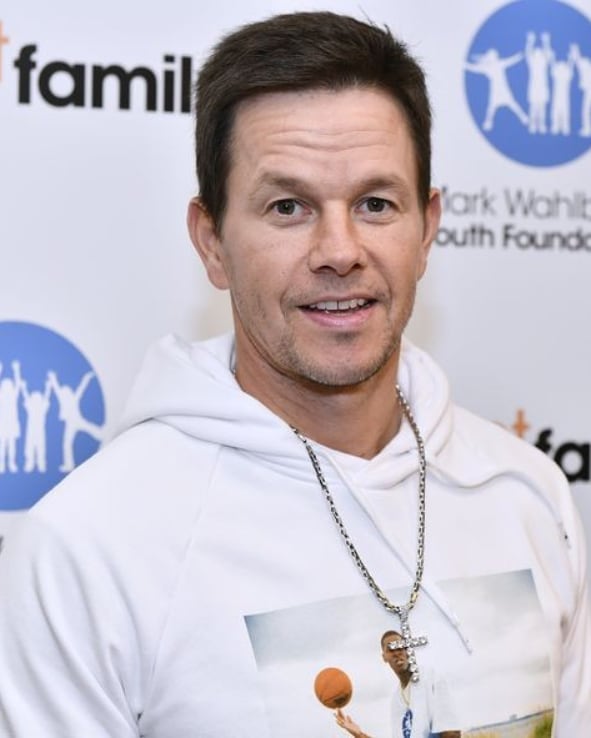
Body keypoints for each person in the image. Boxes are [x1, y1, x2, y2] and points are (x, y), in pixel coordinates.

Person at [0, 11, 589, 738]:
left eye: (375, 204)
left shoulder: (528, 494)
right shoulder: (89, 546)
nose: (339, 250)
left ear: (427, 229)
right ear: (212, 243)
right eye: (288, 207)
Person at [335, 631, 461, 738]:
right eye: (390, 649)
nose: (396, 652)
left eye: (400, 647)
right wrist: (359, 734)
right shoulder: (396, 701)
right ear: (384, 657)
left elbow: (451, 732)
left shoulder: (430, 677)